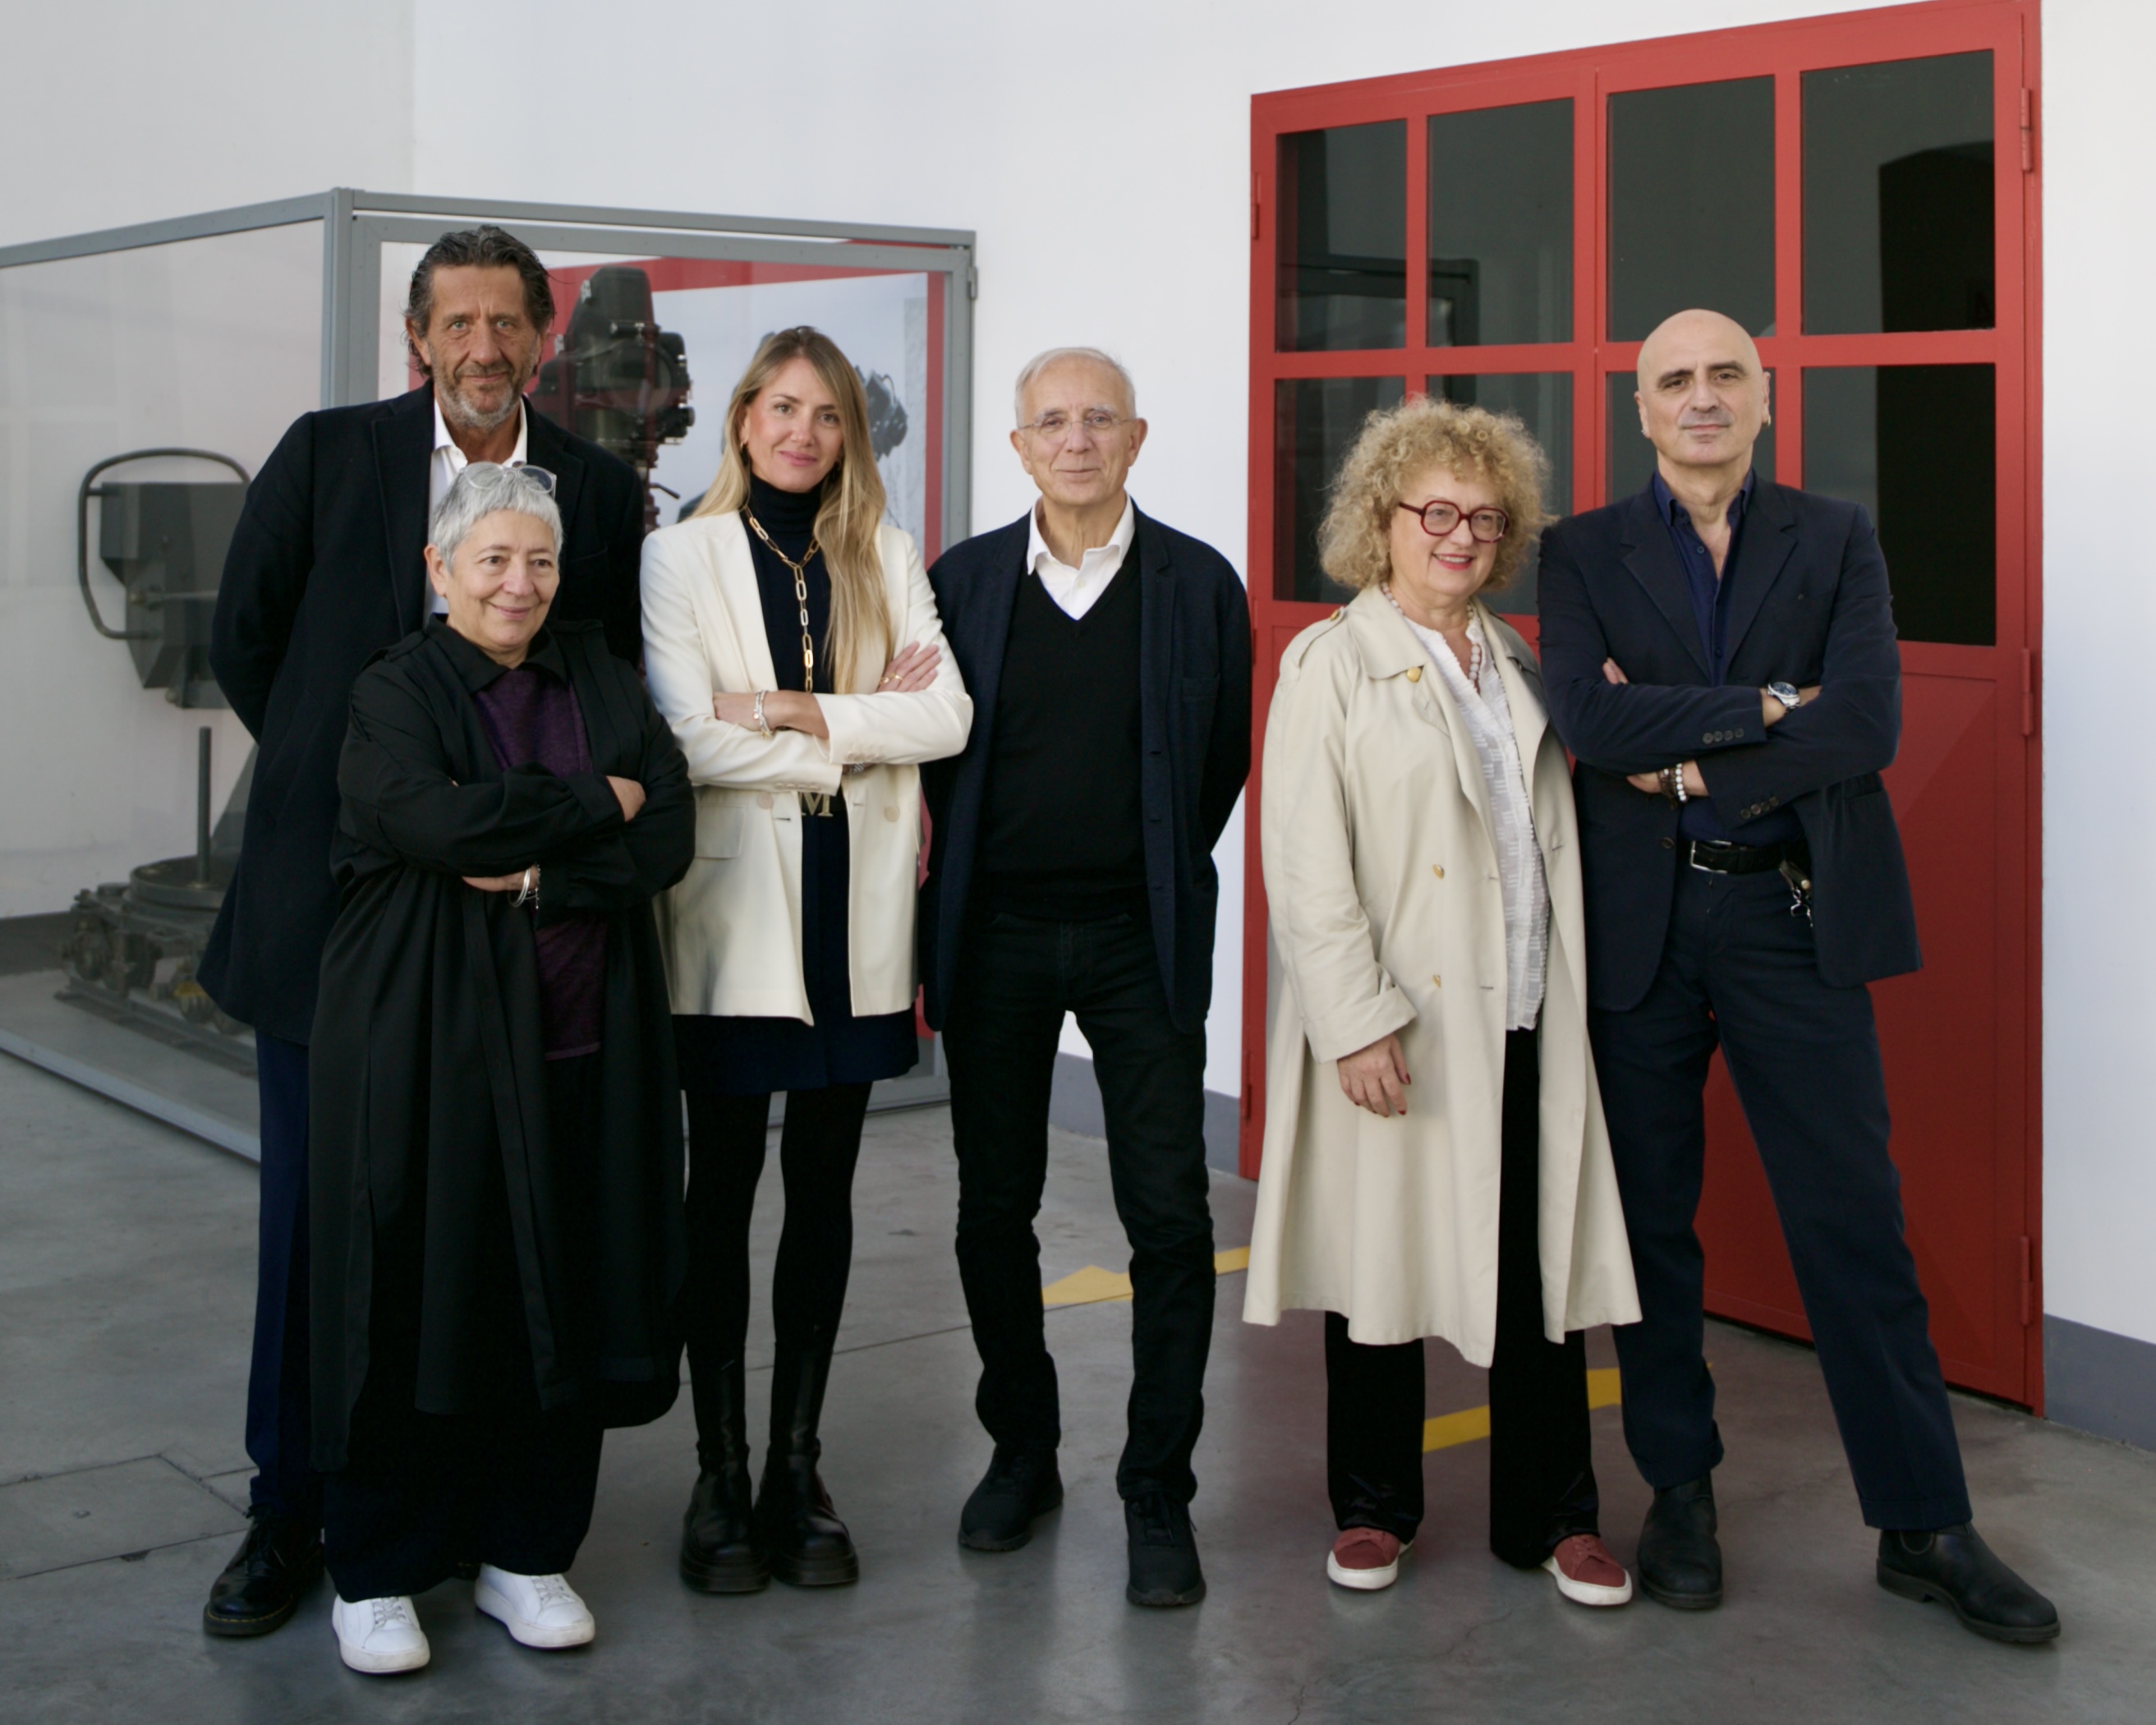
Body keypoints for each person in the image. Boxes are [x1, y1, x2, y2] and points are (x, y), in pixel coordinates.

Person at [1537, 307, 2058, 1642]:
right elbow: (1586, 719)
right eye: (1674, 380)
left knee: (1851, 1221)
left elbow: (1868, 720)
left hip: (1788, 913)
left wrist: (1689, 763)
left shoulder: (1834, 537)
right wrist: (1772, 703)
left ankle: (1923, 1523)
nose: (1700, 397)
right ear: (1640, 410)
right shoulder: (1580, 549)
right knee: (1650, 1224)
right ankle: (1680, 1495)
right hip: (1641, 929)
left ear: (1762, 398)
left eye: (1725, 375)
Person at [199, 225, 649, 1639]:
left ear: (542, 337)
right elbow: (246, 642)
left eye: (507, 322)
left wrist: (516, 839)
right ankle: (288, 1513)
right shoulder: (327, 456)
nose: (482, 347)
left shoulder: (594, 491)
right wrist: (369, 797)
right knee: (321, 1232)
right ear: (417, 337)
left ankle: (466, 1520)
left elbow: (603, 684)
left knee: (495, 1232)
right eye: (456, 322)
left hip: (522, 951)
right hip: (333, 923)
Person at [1244, 396, 1640, 1603]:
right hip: (1400, 1021)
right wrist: (1352, 1018)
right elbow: (1302, 859)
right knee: (1381, 1267)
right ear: (1382, 519)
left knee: (1538, 1274)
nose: (1460, 536)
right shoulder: (1329, 662)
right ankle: (1373, 1509)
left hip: (1524, 1010)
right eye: (1435, 513)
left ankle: (1553, 1518)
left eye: (1484, 517)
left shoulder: (1518, 658)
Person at [306, 462, 692, 1673]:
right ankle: (377, 1571)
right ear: (441, 569)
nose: (518, 584)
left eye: (540, 560)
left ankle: (526, 1552)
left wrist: (533, 868)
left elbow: (668, 829)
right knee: (416, 1293)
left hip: (585, 1043)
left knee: (564, 1296)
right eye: (492, 560)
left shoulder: (599, 671)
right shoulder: (395, 687)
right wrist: (594, 801)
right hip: (431, 1048)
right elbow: (430, 821)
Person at [918, 347, 1251, 1608]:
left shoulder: (1196, 584)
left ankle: (1156, 1488)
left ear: (1135, 437)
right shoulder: (961, 583)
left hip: (1134, 938)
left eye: (1097, 418)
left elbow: (1214, 763)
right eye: (1050, 422)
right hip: (995, 935)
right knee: (991, 1207)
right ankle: (1022, 1453)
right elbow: (935, 755)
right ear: (1018, 447)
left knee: (1168, 1216)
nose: (1074, 440)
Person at [641, 327, 972, 1594]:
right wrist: (861, 728)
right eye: (782, 409)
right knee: (718, 1197)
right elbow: (685, 740)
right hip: (736, 913)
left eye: (827, 415)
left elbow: (946, 715)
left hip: (856, 915)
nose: (803, 433)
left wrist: (785, 709)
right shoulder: (679, 555)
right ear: (741, 419)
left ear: (849, 435)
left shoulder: (884, 551)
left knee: (825, 1195)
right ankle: (718, 1474)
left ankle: (796, 1466)